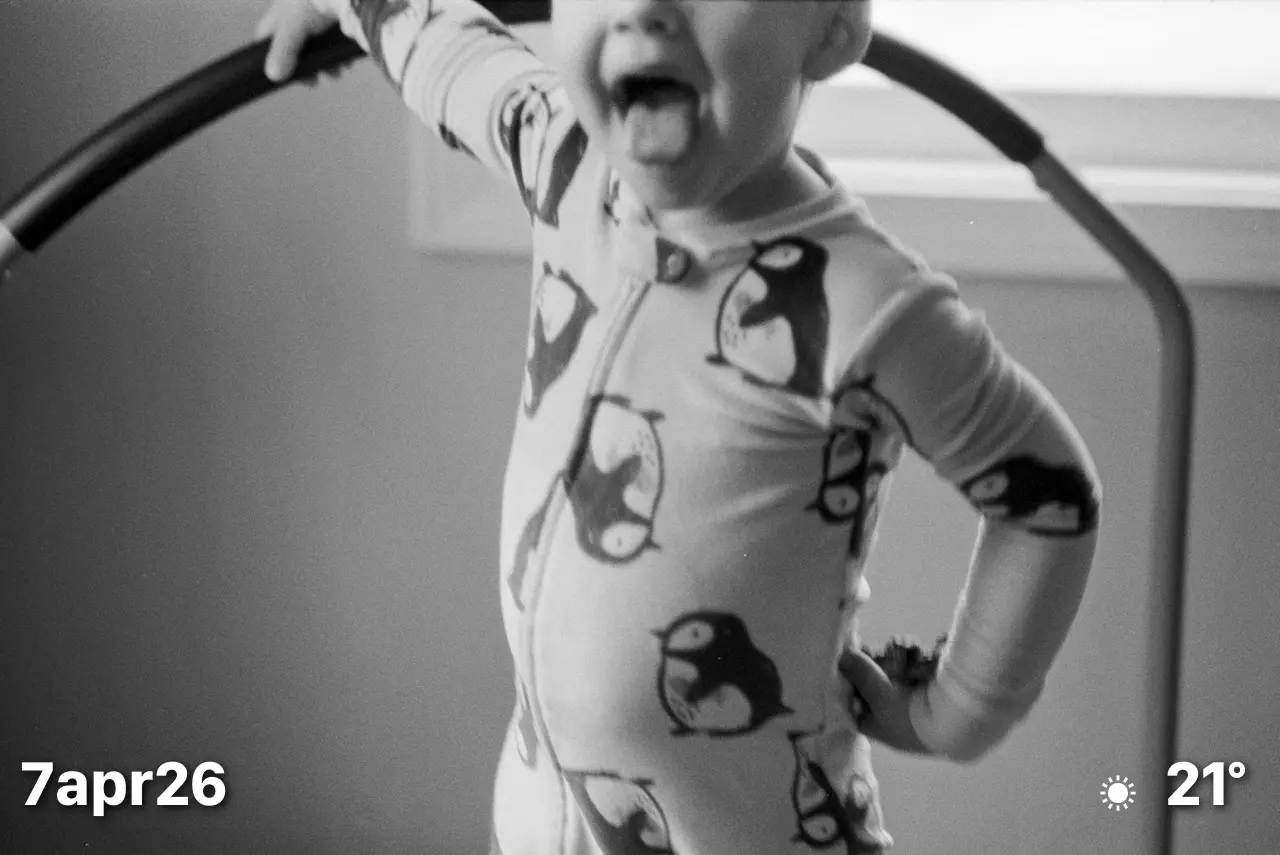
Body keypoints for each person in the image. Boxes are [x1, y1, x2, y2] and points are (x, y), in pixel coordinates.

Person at [255, 2, 1103, 852]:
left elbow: (1047, 498)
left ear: (831, 27)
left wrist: (957, 712)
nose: (643, 7)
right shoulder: (564, 159)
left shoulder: (865, 305)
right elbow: (447, 47)